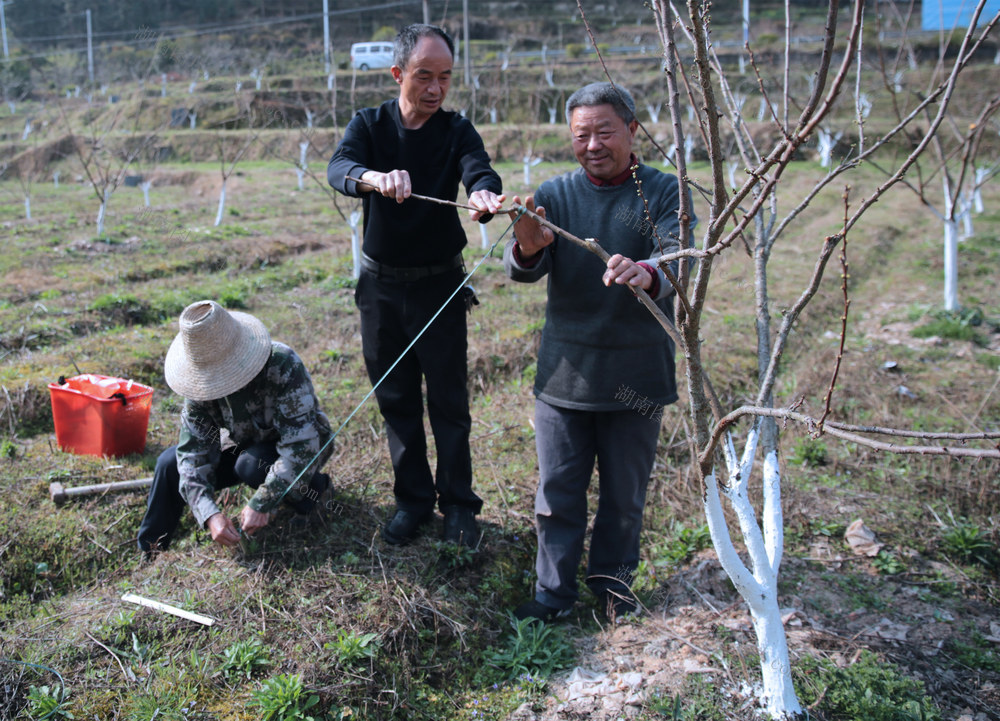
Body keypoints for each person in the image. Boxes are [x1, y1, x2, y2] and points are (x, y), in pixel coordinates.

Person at [503, 82, 695, 622]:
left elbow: (680, 260)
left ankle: (613, 592)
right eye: (581, 134)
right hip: (565, 376)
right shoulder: (556, 194)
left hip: (637, 375)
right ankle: (552, 597)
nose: (592, 144)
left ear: (632, 131)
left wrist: (648, 272)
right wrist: (526, 244)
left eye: (604, 131)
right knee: (556, 493)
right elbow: (522, 269)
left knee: (624, 497)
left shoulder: (663, 193)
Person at [327, 24, 504, 548]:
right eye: (424, 76)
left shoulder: (455, 130)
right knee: (396, 400)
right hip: (380, 291)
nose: (435, 88)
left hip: (440, 287)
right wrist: (374, 178)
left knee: (449, 402)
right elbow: (339, 167)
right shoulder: (371, 125)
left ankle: (459, 508)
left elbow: (480, 170)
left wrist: (486, 196)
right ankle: (412, 502)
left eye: (445, 77)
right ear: (398, 73)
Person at [137, 300, 334, 553]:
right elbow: (192, 455)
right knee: (169, 464)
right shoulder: (199, 388)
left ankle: (316, 493)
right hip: (243, 444)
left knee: (251, 465)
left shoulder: (281, 365)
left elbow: (301, 446)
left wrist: (263, 502)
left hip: (288, 449)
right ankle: (151, 550)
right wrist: (209, 514)